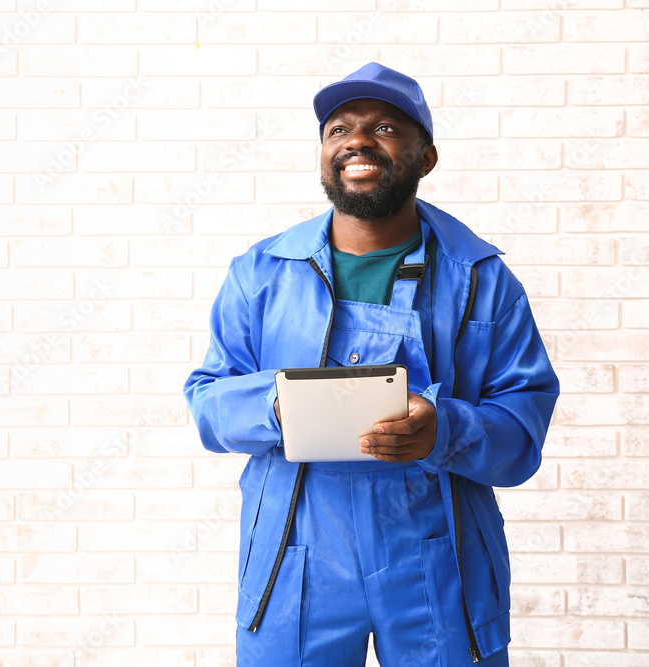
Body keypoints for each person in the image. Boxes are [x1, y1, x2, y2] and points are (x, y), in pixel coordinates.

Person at [183, 62, 559, 666]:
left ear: (426, 157)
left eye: (384, 127)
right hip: (295, 553)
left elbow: (521, 439)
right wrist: (277, 406)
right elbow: (208, 403)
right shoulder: (259, 276)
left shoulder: (484, 283)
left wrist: (445, 428)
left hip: (439, 557)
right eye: (339, 130)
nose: (356, 140)